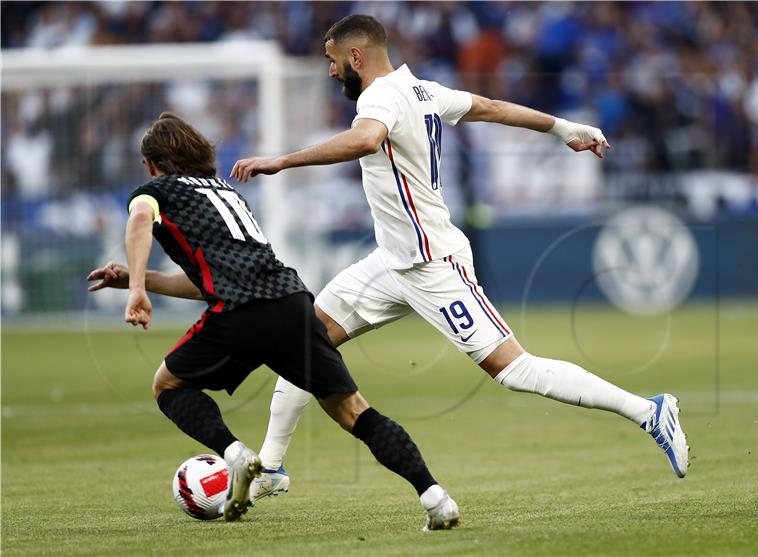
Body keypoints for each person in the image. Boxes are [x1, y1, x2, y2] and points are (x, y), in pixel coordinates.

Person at [230, 14, 690, 503]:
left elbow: (366, 139)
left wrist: (281, 160)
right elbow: (490, 107)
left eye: (332, 60)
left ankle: (649, 410)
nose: (329, 71)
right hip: (391, 262)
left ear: (355, 58)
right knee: (305, 342)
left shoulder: (378, 97)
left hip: (433, 265)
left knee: (516, 371)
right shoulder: (422, 90)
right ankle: (272, 468)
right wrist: (564, 128)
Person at [86, 112, 460, 530]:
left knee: (168, 385)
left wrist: (137, 287)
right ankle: (436, 498)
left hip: (241, 312)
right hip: (292, 301)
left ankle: (236, 455)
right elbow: (202, 282)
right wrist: (140, 280)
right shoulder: (225, 192)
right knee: (354, 411)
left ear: (151, 164)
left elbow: (139, 220)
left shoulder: (153, 192)